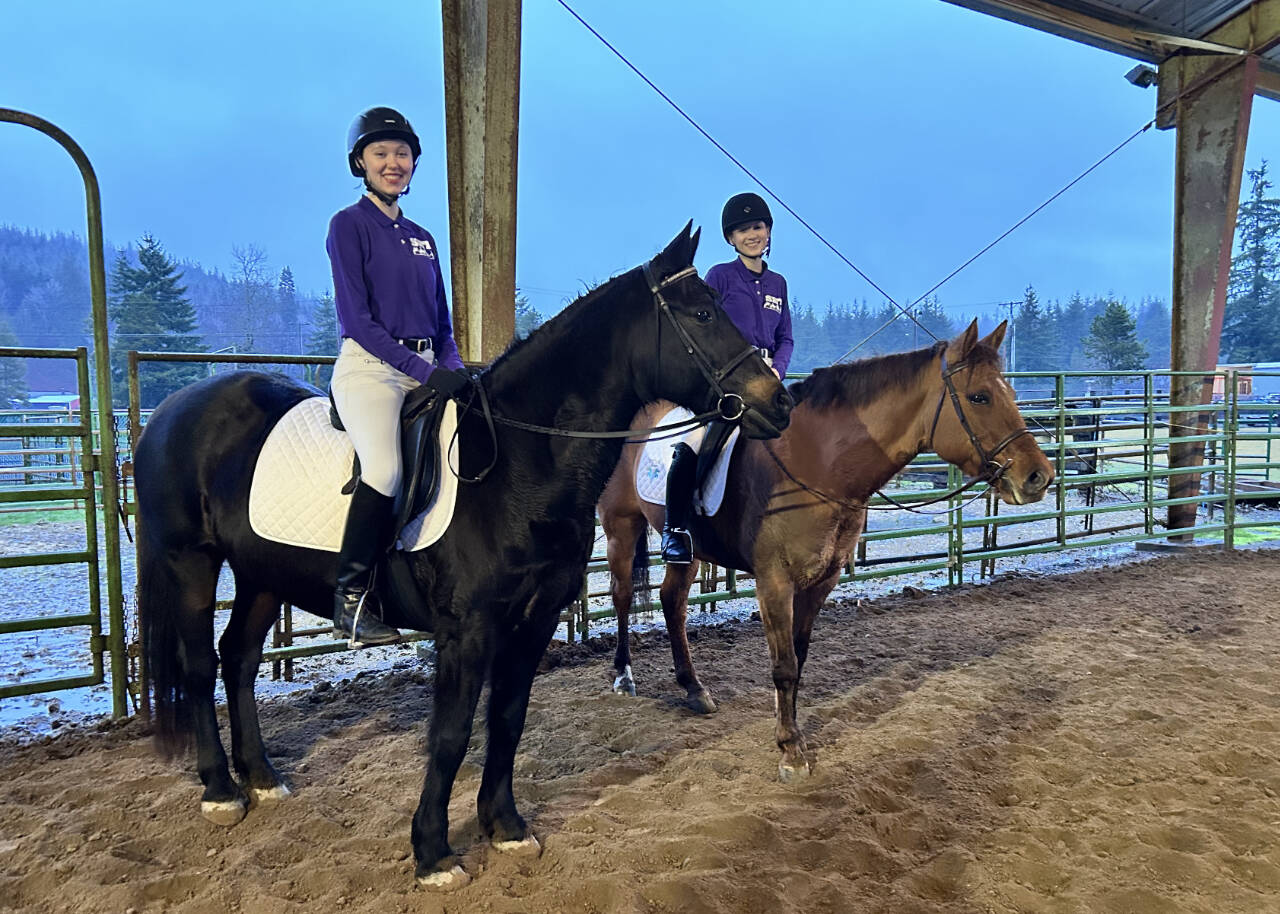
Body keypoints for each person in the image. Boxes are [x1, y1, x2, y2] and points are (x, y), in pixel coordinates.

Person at [326, 106, 471, 646]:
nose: (394, 163)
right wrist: (422, 371)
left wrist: (452, 370)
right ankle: (351, 596)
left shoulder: (423, 237)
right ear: (360, 162)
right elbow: (357, 322)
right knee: (385, 470)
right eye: (381, 153)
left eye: (402, 153)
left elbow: (442, 321)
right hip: (371, 369)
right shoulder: (348, 225)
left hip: (427, 366)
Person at [660, 192, 794, 564]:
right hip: (726, 385)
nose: (752, 234)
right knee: (695, 441)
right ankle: (676, 530)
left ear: (768, 231)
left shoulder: (778, 284)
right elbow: (702, 330)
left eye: (757, 226)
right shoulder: (720, 276)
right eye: (742, 230)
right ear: (731, 238)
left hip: (767, 380)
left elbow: (786, 337)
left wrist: (777, 370)